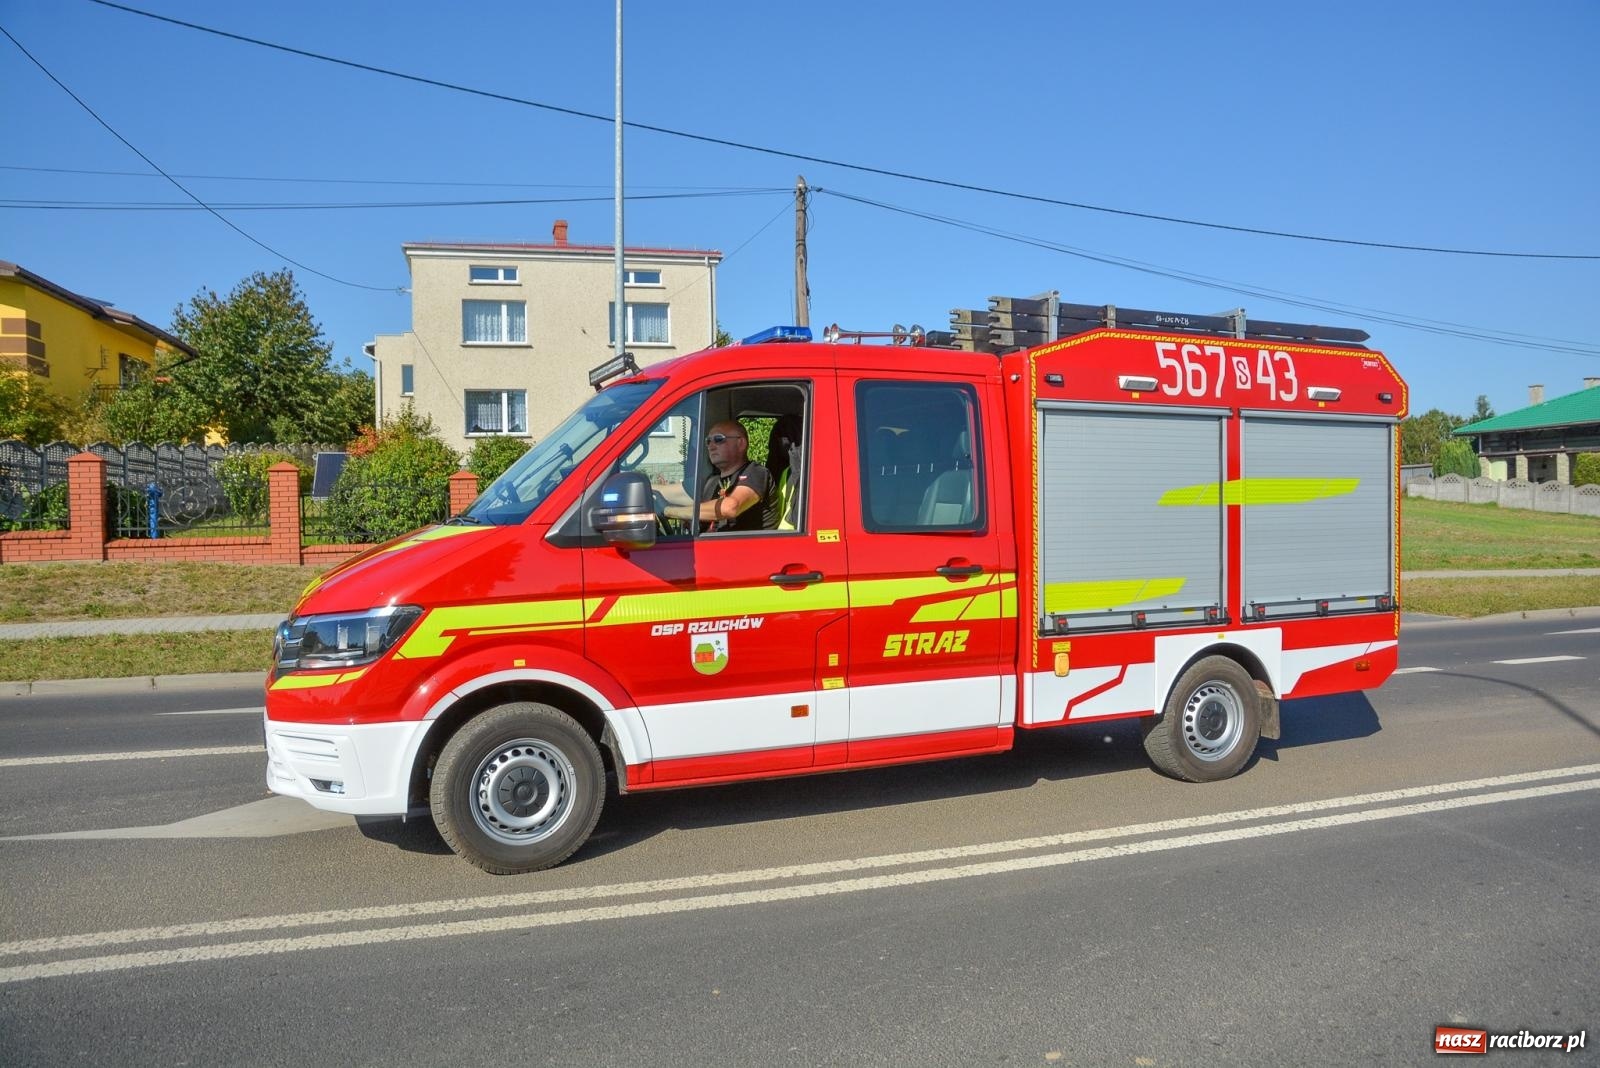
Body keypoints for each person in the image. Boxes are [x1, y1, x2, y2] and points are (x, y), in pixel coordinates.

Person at [663, 420, 776, 532]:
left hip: (746, 549)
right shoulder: (712, 482)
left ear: (741, 443)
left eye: (718, 439)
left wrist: (669, 511)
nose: (711, 447)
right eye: (708, 441)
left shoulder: (756, 472)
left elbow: (730, 508)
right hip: (712, 546)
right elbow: (669, 492)